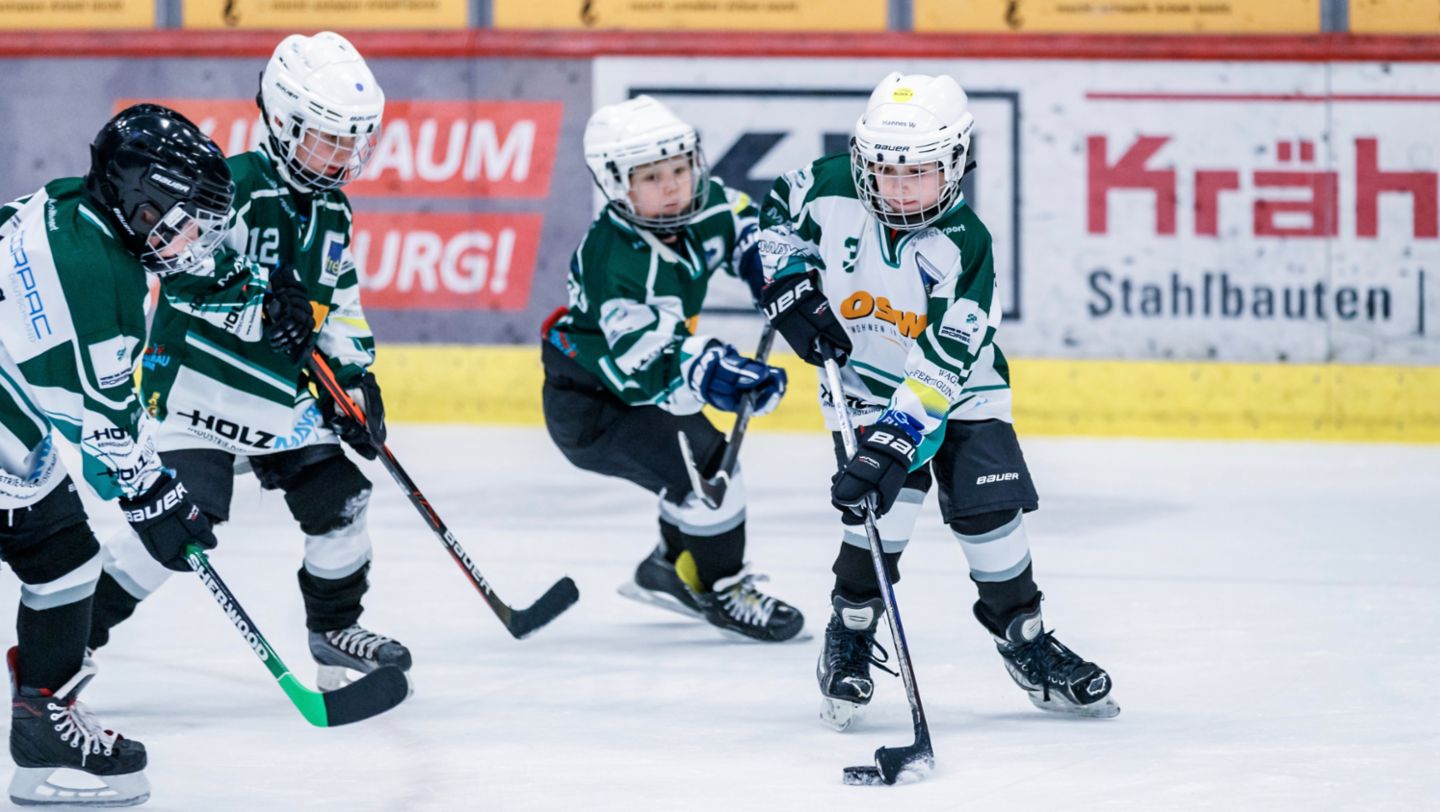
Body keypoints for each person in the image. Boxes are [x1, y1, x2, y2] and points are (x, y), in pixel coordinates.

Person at [758, 73, 1118, 728]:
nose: (899, 188)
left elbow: (945, 360)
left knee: (992, 515)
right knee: (878, 517)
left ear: (954, 164)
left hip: (963, 389)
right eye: (886, 171)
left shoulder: (965, 243)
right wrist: (787, 282)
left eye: (918, 173)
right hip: (864, 383)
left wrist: (898, 438)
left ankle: (1026, 642)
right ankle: (850, 631)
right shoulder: (826, 185)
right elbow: (778, 212)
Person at [86, 32, 408, 691]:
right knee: (177, 527)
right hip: (195, 392)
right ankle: (65, 641)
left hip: (276, 398)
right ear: (285, 124)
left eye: (354, 140)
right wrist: (260, 303)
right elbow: (181, 271)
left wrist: (353, 378)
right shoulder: (227, 185)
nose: (344, 155)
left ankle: (334, 632)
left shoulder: (334, 212)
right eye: (329, 138)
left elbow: (340, 301)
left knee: (343, 501)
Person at [0, 103, 267, 806]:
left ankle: (42, 729)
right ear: (142, 204)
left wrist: (256, 292)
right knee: (56, 548)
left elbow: (176, 264)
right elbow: (101, 422)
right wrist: (155, 494)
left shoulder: (78, 210)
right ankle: (42, 725)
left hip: (7, 413)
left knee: (62, 554)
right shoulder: (93, 276)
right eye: (186, 221)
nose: (194, 239)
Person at [540, 95, 803, 642]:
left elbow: (744, 222)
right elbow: (646, 360)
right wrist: (714, 370)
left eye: (680, 169)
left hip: (634, 391)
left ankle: (668, 568)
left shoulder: (701, 206)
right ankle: (722, 589)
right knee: (709, 471)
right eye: (652, 177)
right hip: (593, 406)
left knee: (693, 467)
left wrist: (768, 262)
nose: (673, 187)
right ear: (619, 185)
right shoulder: (613, 257)